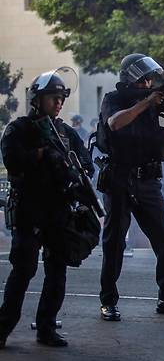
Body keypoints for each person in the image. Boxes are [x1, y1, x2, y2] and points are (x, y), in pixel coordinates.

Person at [97, 53, 164, 321]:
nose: (150, 82)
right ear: (134, 78)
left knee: (163, 240)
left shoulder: (155, 101)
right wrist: (146, 102)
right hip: (119, 179)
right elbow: (115, 123)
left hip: (148, 181)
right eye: (146, 79)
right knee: (114, 242)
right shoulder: (114, 99)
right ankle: (108, 301)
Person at [0, 70, 93, 348]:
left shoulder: (65, 133)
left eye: (61, 98)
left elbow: (86, 162)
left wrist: (76, 170)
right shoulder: (21, 129)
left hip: (58, 212)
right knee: (24, 270)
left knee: (57, 271)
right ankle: (3, 328)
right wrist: (41, 154)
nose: (58, 102)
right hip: (30, 211)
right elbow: (13, 161)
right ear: (37, 99)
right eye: (53, 97)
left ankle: (46, 328)